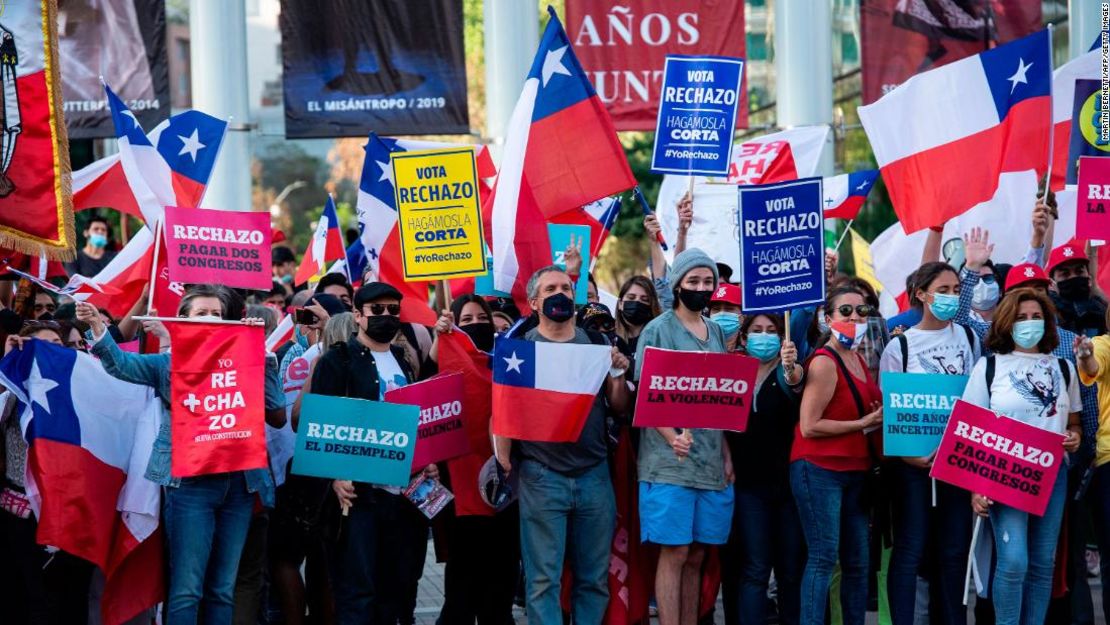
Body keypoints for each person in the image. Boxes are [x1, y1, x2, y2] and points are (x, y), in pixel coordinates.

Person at [77, 284, 287, 623]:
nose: (210, 319)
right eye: (201, 313)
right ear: (183, 321)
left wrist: (264, 360)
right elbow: (120, 366)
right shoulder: (168, 364)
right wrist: (98, 328)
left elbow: (276, 409)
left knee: (222, 588)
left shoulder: (249, 359)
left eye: (217, 314)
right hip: (191, 487)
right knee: (188, 589)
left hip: (239, 486)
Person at [508, 265, 630, 625]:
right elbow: (504, 412)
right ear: (534, 302)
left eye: (565, 286)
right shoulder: (520, 350)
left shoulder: (597, 344)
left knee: (593, 581)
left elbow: (620, 407)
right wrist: (501, 457)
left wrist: (619, 374)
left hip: (594, 475)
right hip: (542, 477)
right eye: (550, 289)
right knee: (543, 580)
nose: (559, 293)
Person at [310, 282, 435, 625]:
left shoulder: (404, 361)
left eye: (393, 310)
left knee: (394, 590)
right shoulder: (337, 361)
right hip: (358, 496)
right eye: (376, 310)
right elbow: (320, 426)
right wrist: (335, 477)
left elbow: (413, 421)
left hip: (402, 494)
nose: (386, 317)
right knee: (357, 592)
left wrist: (426, 460)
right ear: (358, 315)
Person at [963, 288, 1082, 625]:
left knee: (1043, 562)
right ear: (1007, 322)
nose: (1030, 323)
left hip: (1052, 475)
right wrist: (976, 488)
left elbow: (1072, 421)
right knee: (1014, 561)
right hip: (1004, 473)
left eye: (1036, 317)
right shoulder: (988, 367)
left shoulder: (1063, 367)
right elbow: (970, 431)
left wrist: (1074, 436)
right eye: (1021, 317)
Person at [634, 248, 734, 625]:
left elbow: (720, 401)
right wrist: (670, 436)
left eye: (708, 282)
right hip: (668, 463)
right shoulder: (658, 329)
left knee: (697, 554)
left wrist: (725, 453)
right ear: (677, 285)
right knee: (674, 552)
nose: (701, 287)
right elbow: (646, 392)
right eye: (693, 281)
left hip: (710, 462)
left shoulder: (719, 332)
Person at [879, 262, 979, 625]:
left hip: (957, 464)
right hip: (913, 468)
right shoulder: (899, 346)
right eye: (944, 289)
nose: (951, 297)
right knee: (911, 549)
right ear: (921, 294)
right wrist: (911, 457)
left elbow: (976, 398)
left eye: (955, 290)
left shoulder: (969, 338)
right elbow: (892, 409)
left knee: (954, 552)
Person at [791, 286, 883, 625]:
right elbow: (809, 425)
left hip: (855, 472)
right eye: (846, 311)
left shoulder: (858, 359)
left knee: (858, 563)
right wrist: (864, 422)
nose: (855, 317)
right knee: (823, 558)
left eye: (862, 311)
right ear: (827, 319)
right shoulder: (824, 361)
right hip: (820, 469)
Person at [431, 294, 521, 625]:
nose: (475, 325)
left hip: (506, 485)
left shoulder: (512, 361)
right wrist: (442, 337)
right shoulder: (447, 353)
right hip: (461, 487)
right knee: (463, 582)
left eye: (480, 318)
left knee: (501, 579)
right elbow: (430, 372)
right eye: (465, 321)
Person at [0, 322, 95, 624]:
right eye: (45, 345)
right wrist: (8, 365)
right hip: (21, 513)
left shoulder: (82, 389)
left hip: (72, 511)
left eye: (58, 343)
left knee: (71, 595)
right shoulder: (14, 390)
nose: (55, 350)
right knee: (29, 596)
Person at [720, 313, 804, 625]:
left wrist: (790, 365)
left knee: (790, 571)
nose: (764, 336)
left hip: (788, 488)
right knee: (755, 569)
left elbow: (795, 381)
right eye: (757, 330)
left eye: (771, 330)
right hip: (747, 489)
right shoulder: (732, 374)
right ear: (743, 337)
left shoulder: (788, 372)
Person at [1046, 240, 1107, 337]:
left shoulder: (1101, 310)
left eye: (1079, 272)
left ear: (1089, 278)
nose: (1073, 277)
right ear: (1051, 284)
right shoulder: (1045, 314)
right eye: (1065, 274)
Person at [614, 275, 661, 367]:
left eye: (645, 299)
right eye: (631, 298)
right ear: (620, 303)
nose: (637, 302)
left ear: (651, 306)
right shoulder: (609, 339)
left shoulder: (660, 338)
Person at [708, 283, 742, 352]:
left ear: (743, 317)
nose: (721, 314)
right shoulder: (700, 346)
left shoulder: (750, 351)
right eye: (716, 309)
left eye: (729, 309)